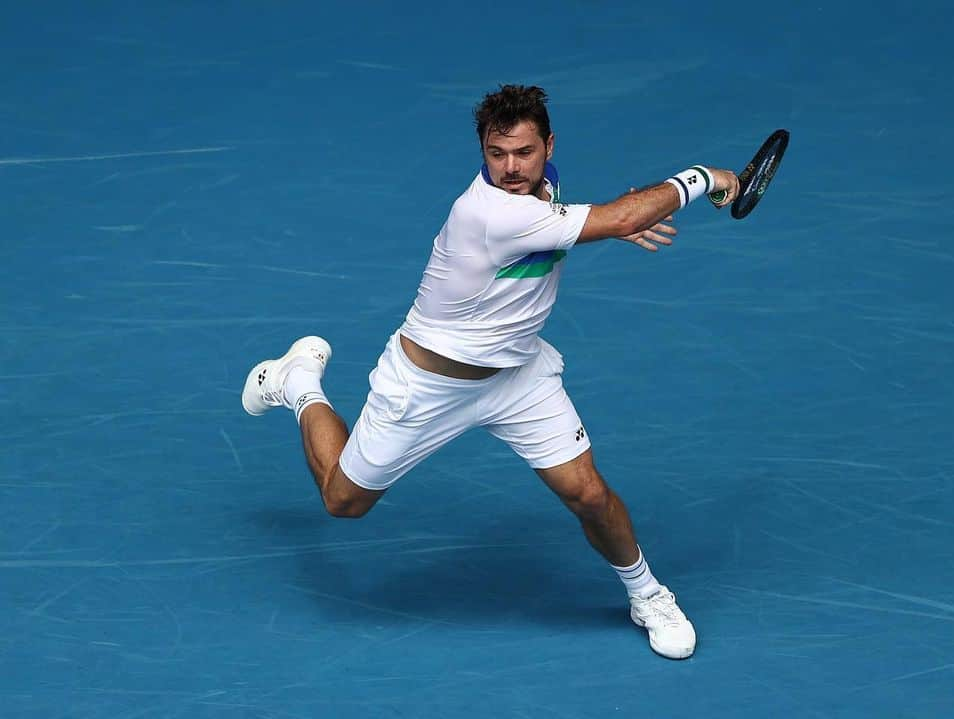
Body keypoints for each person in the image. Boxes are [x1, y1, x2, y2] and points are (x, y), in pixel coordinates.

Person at [242, 85, 740, 660]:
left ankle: (647, 593)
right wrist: (702, 178)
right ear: (481, 151)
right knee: (343, 502)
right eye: (495, 153)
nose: (509, 168)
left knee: (588, 493)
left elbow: (589, 219)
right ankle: (300, 382)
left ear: (548, 146)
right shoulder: (487, 213)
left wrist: (614, 220)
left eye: (523, 153)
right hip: (427, 388)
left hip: (516, 374)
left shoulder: (542, 187)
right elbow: (607, 217)